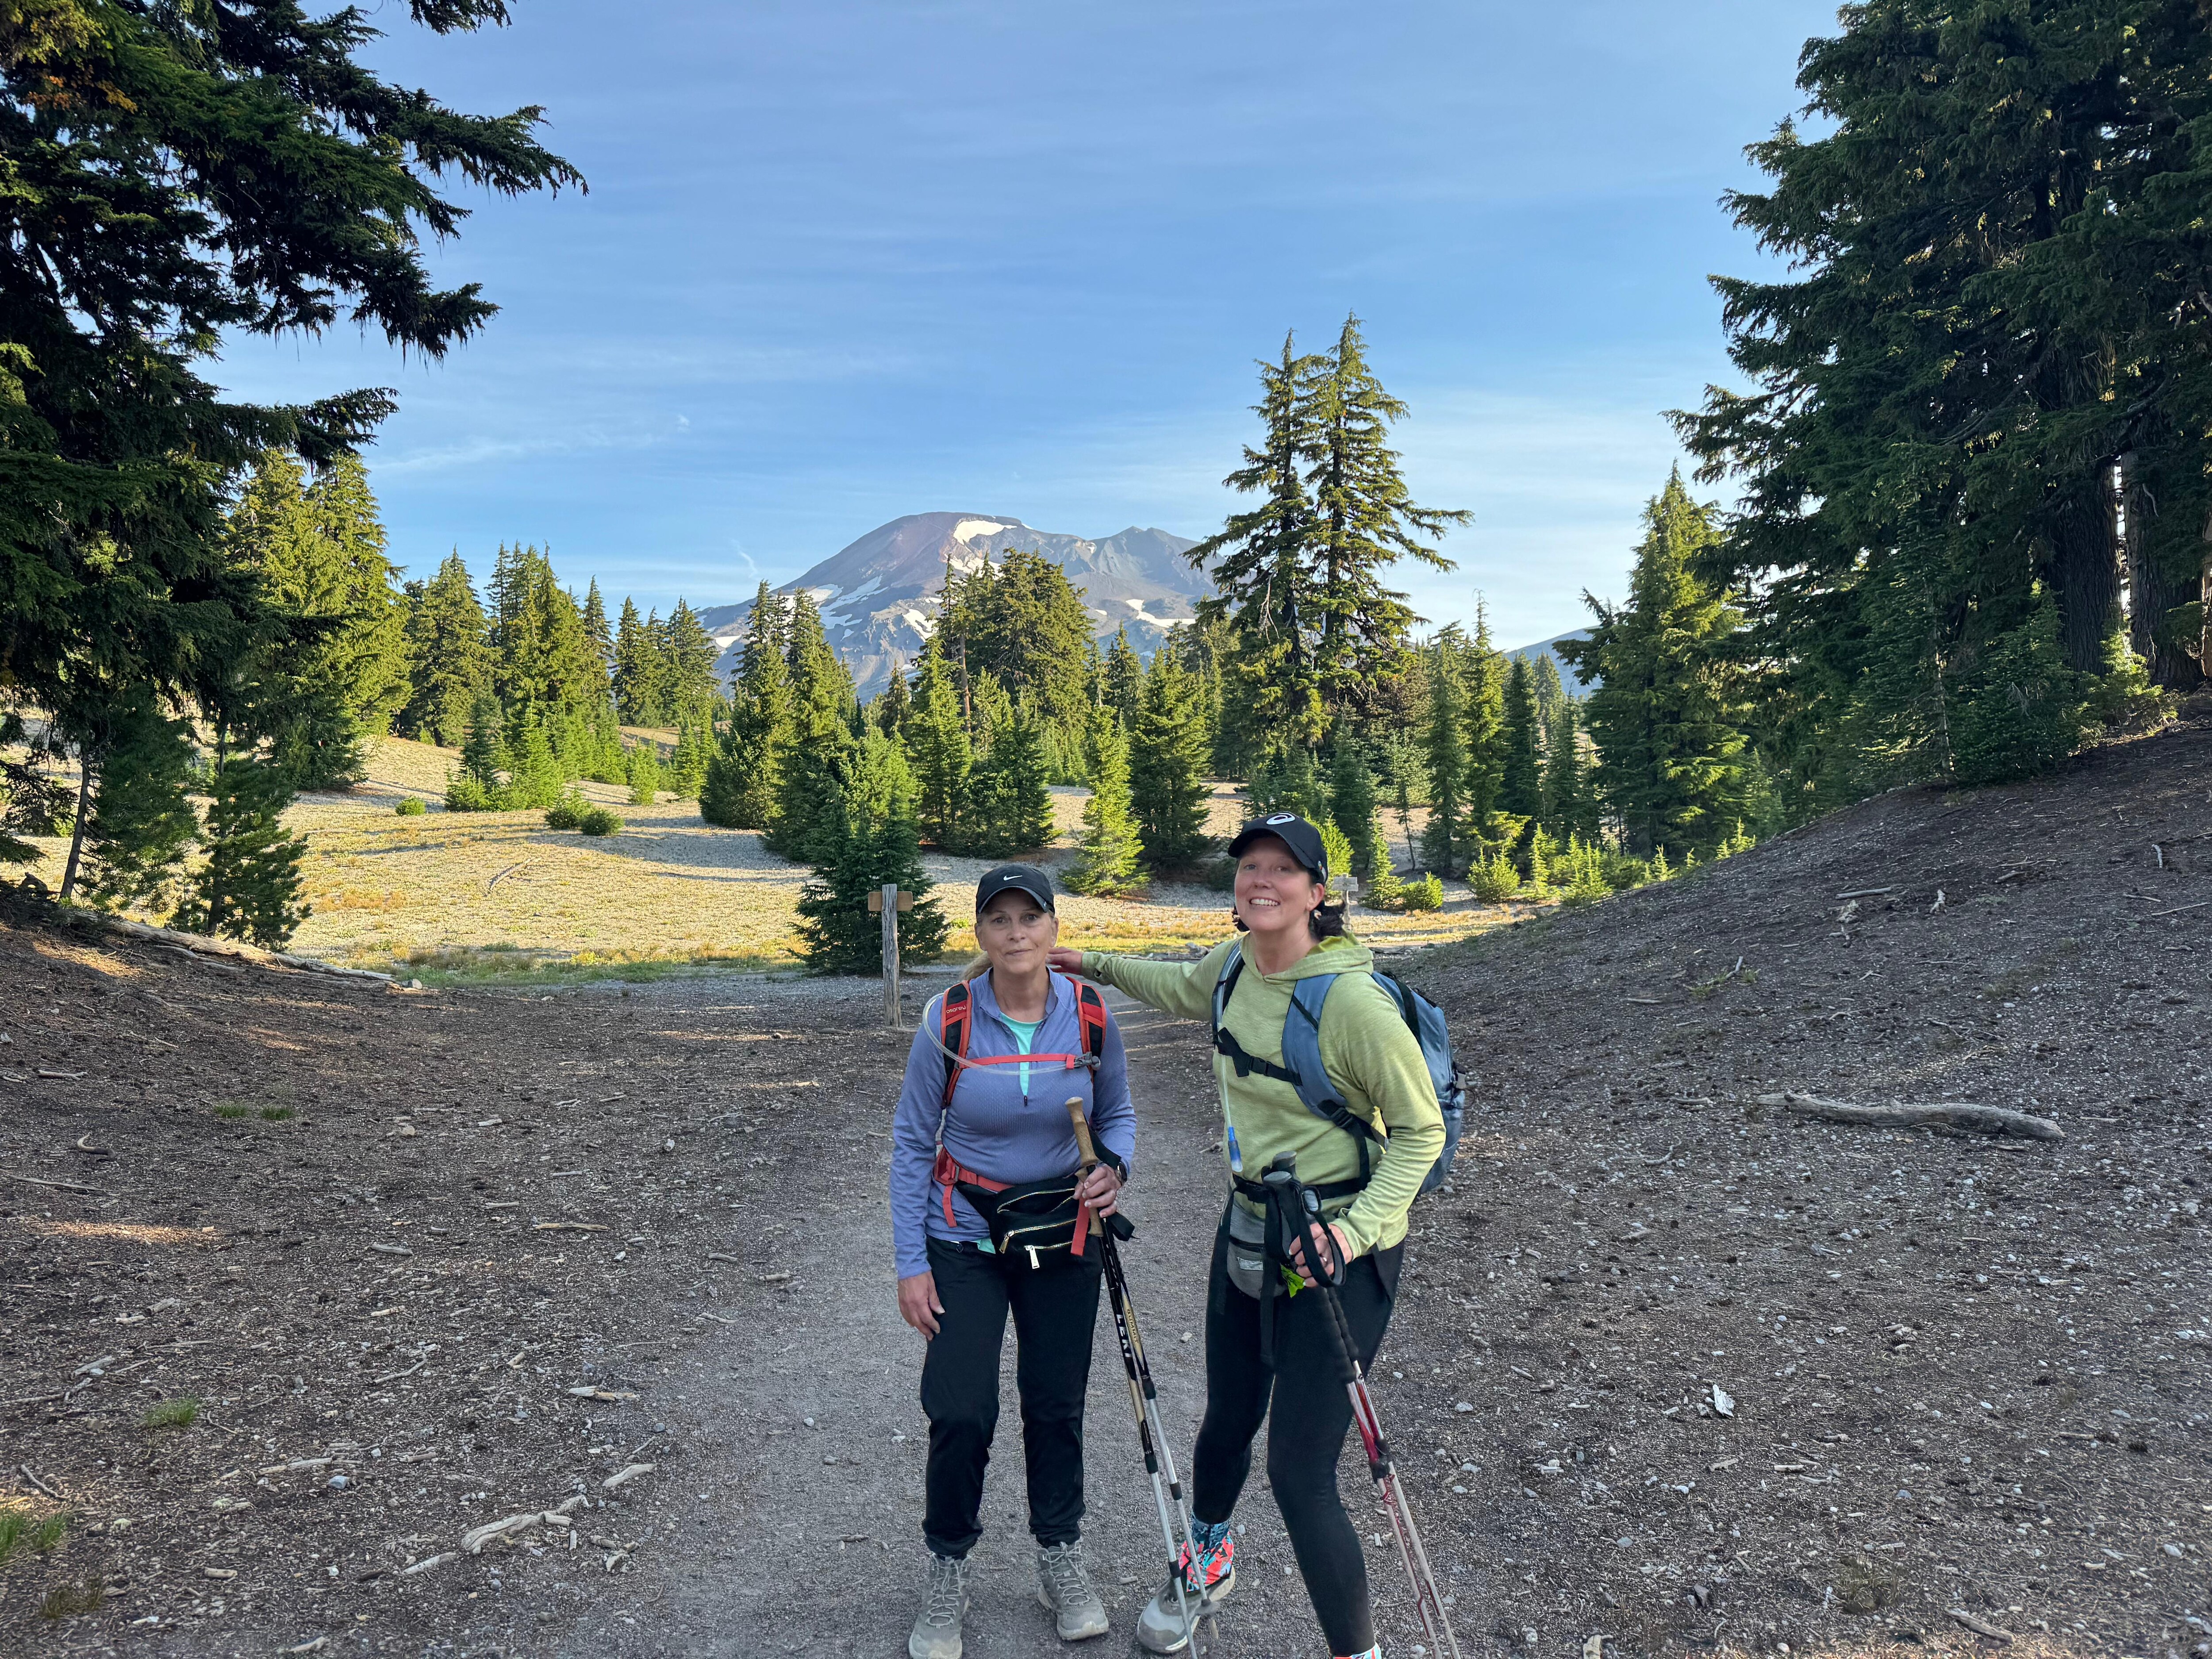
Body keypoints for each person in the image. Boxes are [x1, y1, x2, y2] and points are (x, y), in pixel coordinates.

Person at [1048, 812, 1444, 1659]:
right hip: (1251, 1230)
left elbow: (1421, 1132)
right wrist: (1087, 963)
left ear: (1318, 891)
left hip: (1342, 1250)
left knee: (1299, 1473)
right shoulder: (1233, 967)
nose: (1261, 881)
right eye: (1249, 866)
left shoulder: (1352, 1002)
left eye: (1282, 869)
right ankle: (1209, 1560)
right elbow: (1177, 987)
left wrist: (1352, 1234)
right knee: (1227, 1418)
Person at [891, 863, 1137, 1659]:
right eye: (999, 918)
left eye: (1030, 916)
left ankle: (1059, 1554)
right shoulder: (949, 1020)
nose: (1016, 931)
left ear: (1054, 928)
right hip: (963, 1231)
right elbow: (911, 1142)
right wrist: (911, 1263)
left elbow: (1119, 1114)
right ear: (981, 934)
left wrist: (1114, 1169)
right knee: (961, 1408)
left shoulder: (1090, 1015)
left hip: (1063, 1231)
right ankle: (948, 1565)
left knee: (1055, 1402)